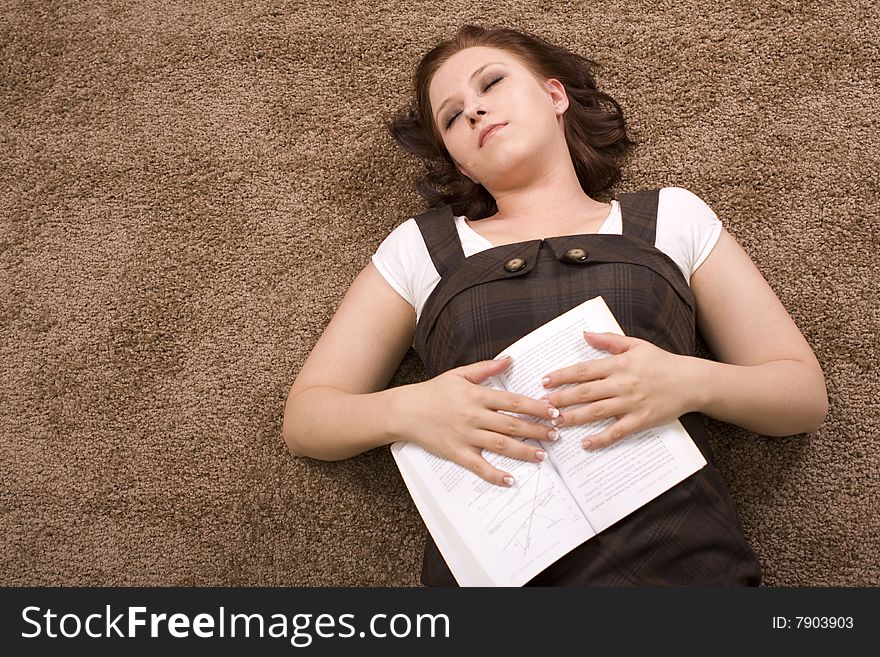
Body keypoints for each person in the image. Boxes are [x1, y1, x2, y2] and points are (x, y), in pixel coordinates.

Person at [282, 24, 828, 586]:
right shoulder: (419, 248)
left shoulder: (672, 218)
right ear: (461, 163)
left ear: (554, 96)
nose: (472, 110)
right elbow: (308, 419)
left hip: (683, 571)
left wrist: (690, 383)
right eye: (450, 116)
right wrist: (409, 410)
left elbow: (801, 396)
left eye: (491, 84)